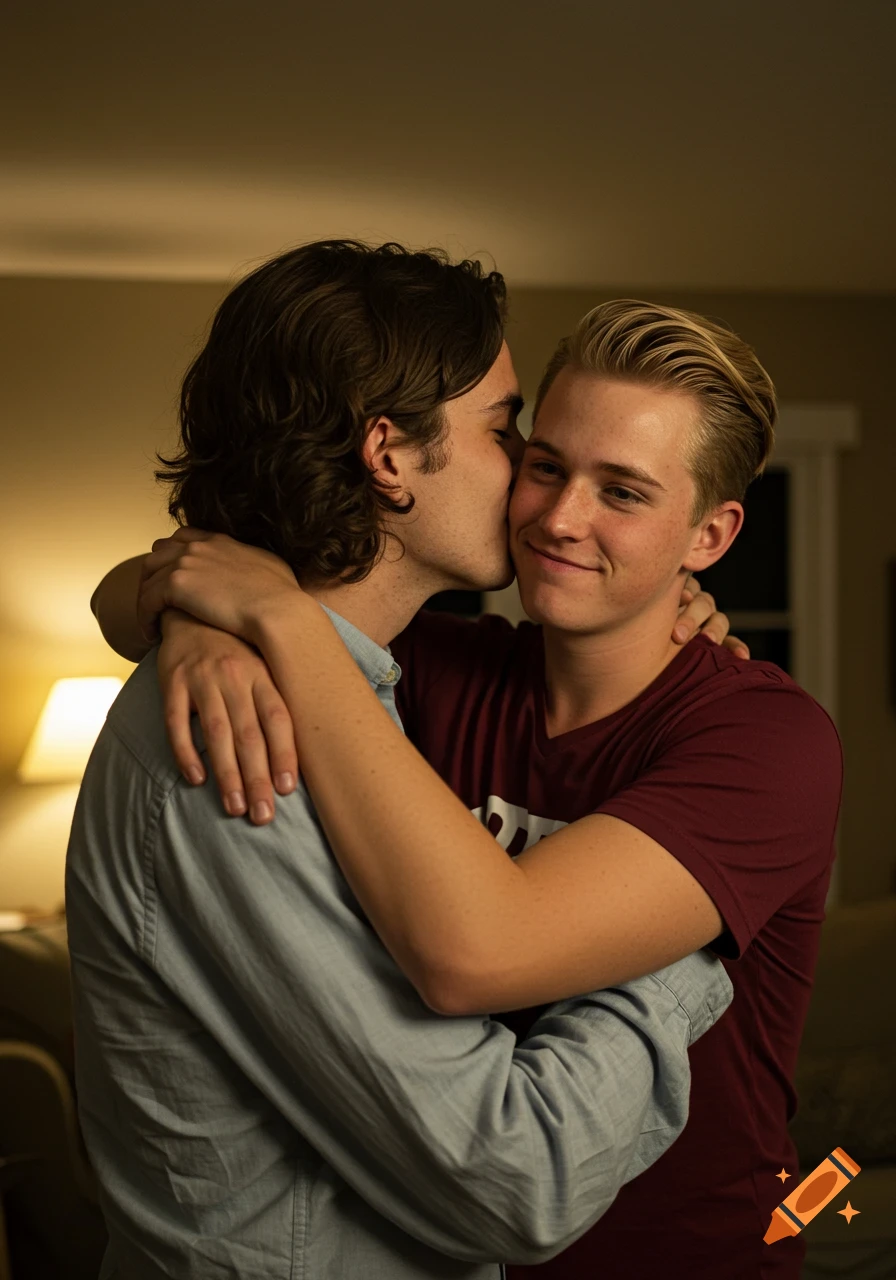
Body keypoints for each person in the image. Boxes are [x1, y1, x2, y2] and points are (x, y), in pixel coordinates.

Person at [99, 286, 843, 1279]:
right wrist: (192, 618)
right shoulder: (435, 670)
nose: (558, 517)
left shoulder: (766, 739)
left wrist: (273, 619)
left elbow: (483, 951)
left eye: (621, 491)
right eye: (543, 464)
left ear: (705, 537)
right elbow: (134, 587)